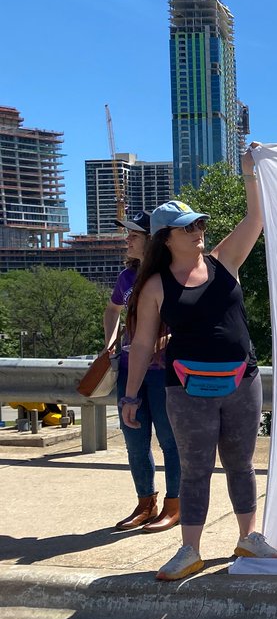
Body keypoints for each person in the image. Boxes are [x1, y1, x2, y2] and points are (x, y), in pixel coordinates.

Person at [122, 142, 277, 581]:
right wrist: (130, 395)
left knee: (241, 463)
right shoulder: (154, 285)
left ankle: (249, 537)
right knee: (194, 469)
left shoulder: (224, 260)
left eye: (200, 224)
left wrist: (250, 171)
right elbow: (142, 345)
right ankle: (189, 549)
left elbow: (256, 219)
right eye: (188, 227)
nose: (198, 231)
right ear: (166, 238)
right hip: (186, 388)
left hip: (242, 380)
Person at [103, 208, 181, 532]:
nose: (127, 240)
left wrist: (163, 339)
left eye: (133, 234)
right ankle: (145, 503)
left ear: (152, 240)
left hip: (163, 373)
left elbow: (191, 321)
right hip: (129, 369)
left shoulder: (174, 276)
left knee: (169, 440)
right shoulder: (127, 277)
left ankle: (175, 505)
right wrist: (110, 343)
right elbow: (112, 310)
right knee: (134, 440)